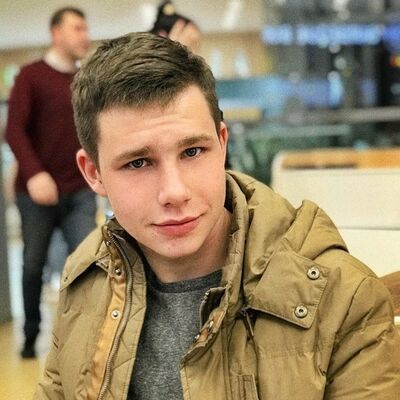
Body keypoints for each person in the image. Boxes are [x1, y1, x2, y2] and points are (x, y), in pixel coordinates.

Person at [35, 32, 400, 399]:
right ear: (94, 173)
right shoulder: (86, 277)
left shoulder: (343, 298)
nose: (174, 192)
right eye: (138, 163)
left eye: (193, 151)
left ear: (222, 144)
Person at [5, 7, 97, 359]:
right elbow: (14, 131)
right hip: (36, 193)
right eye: (77, 28)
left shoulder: (86, 80)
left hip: (79, 190)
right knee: (33, 265)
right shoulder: (30, 76)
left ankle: (87, 337)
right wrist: (35, 173)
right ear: (56, 32)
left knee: (88, 262)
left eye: (86, 28)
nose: (85, 35)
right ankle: (31, 336)